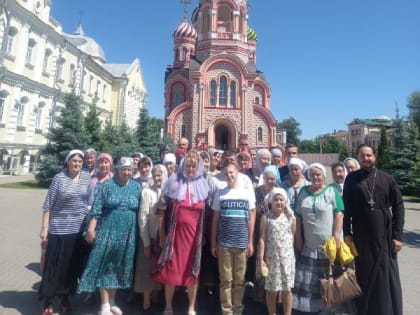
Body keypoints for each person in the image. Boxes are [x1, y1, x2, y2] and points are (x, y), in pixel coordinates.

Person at [343, 144, 404, 315]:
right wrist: (347, 232)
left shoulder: (387, 178)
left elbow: (399, 207)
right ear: (358, 157)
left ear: (374, 156)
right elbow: (347, 208)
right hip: (361, 235)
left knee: (385, 273)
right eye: (362, 155)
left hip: (384, 234)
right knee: (364, 273)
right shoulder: (352, 179)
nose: (366, 158)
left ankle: (387, 310)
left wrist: (398, 236)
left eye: (368, 155)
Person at [77, 157, 142, 315]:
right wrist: (91, 229)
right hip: (108, 230)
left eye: (129, 169)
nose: (127, 172)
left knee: (119, 266)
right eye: (123, 169)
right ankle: (104, 304)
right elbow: (96, 209)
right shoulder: (106, 186)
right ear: (118, 169)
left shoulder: (136, 186)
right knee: (106, 264)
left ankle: (112, 300)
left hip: (128, 233)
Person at [153, 150, 209, 315]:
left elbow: (209, 214)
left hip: (195, 238)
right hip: (175, 236)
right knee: (171, 269)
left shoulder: (204, 184)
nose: (190, 169)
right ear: (183, 166)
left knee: (193, 270)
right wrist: (162, 235)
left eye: (194, 166)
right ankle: (168, 306)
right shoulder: (173, 182)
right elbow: (161, 210)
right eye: (188, 166)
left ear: (198, 167)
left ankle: (191, 308)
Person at [39, 149, 93, 315]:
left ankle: (65, 298)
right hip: (59, 229)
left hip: (77, 231)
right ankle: (48, 300)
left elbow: (90, 202)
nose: (77, 164)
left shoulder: (86, 178)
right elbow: (48, 205)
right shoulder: (59, 178)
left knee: (71, 266)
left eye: (80, 161)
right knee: (53, 266)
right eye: (74, 161)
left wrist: (90, 225)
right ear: (68, 161)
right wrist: (44, 227)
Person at [293, 163, 345, 314]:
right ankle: (313, 309)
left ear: (324, 176)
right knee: (310, 282)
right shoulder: (303, 191)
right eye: (313, 174)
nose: (316, 177)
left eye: (319, 175)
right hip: (309, 244)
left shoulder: (331, 190)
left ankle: (329, 309)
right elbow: (297, 216)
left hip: (327, 245)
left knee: (328, 280)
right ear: (309, 176)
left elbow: (339, 213)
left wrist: (336, 235)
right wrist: (298, 238)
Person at [211, 161, 256, 315]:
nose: (229, 175)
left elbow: (251, 219)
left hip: (242, 242)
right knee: (225, 280)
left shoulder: (247, 193)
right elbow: (215, 220)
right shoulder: (220, 194)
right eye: (226, 173)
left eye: (231, 172)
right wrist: (213, 243)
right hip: (224, 243)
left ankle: (238, 309)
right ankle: (227, 310)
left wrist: (251, 242)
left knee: (239, 280)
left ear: (237, 172)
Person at [134, 164, 168, 313]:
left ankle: (156, 297)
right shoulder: (147, 192)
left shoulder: (169, 193)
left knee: (159, 270)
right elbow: (143, 218)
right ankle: (146, 302)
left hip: (164, 239)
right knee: (146, 269)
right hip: (150, 237)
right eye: (155, 176)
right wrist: (146, 242)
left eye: (160, 175)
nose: (157, 178)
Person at [258, 187, 296, 315]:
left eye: (281, 200)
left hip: (287, 259)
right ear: (271, 202)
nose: (279, 202)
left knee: (287, 289)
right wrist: (261, 259)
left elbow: (292, 236)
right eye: (276, 200)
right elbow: (262, 238)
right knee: (272, 290)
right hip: (271, 259)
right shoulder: (266, 217)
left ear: (285, 202)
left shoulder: (291, 218)